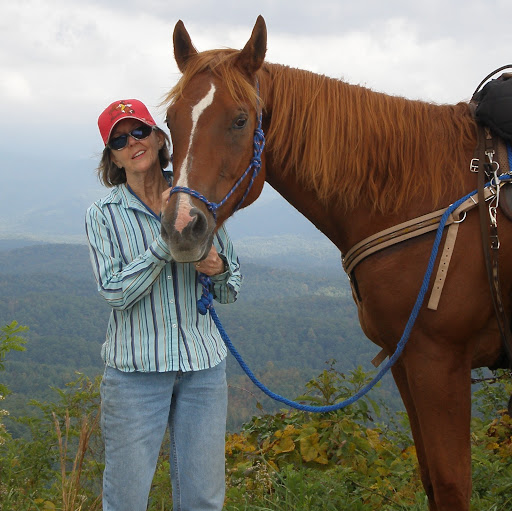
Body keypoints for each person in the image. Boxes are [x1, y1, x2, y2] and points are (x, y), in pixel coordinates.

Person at [85, 98, 242, 511]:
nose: (132, 142)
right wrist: (166, 242)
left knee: (204, 500)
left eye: (139, 131)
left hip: (203, 372)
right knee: (126, 500)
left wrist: (217, 266)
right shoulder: (103, 214)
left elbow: (232, 287)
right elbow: (114, 292)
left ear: (158, 138)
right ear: (113, 158)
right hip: (135, 376)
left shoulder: (198, 196)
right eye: (119, 139)